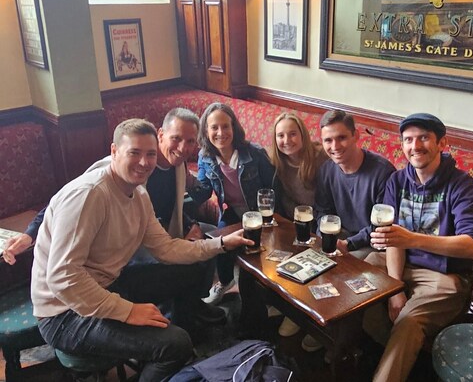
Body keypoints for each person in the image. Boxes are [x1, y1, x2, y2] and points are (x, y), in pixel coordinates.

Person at [31, 118, 253, 382]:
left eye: (150, 154)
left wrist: (221, 243)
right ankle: (167, 349)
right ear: (114, 151)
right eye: (134, 153)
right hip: (63, 314)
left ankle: (170, 344)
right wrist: (128, 311)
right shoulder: (89, 195)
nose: (144, 162)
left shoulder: (139, 194)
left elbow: (166, 248)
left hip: (109, 284)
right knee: (176, 344)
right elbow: (63, 277)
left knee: (192, 271)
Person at [4, 108, 224, 325]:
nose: (183, 148)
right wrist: (30, 234)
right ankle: (166, 314)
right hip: (124, 243)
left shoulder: (177, 169)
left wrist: (191, 225)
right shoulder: (121, 170)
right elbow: (64, 201)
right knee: (179, 263)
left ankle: (190, 306)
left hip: (152, 231)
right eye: (176, 138)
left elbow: (172, 206)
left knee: (206, 240)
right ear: (161, 135)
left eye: (190, 141)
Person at [365, 113, 473, 382]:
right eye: (408, 140)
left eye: (423, 138)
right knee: (353, 280)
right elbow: (392, 238)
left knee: (408, 322)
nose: (415, 146)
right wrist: (395, 289)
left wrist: (411, 239)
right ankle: (376, 350)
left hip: (443, 275)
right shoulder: (397, 181)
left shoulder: (462, 185)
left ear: (442, 143)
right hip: (399, 262)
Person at [193, 103, 275, 305]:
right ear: (206, 131)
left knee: (257, 252)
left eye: (225, 126)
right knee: (220, 240)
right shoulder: (205, 157)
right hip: (233, 212)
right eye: (214, 127)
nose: (221, 133)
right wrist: (184, 179)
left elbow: (273, 187)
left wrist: (274, 218)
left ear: (234, 127)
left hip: (260, 213)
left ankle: (267, 293)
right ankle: (225, 282)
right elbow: (202, 192)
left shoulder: (254, 153)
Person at [270, 112, 328, 338]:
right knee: (278, 250)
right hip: (298, 220)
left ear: (303, 134)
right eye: (281, 136)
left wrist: (316, 228)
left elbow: (331, 199)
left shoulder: (321, 157)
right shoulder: (276, 161)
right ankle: (290, 304)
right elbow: (286, 199)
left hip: (323, 220)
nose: (287, 140)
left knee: (313, 260)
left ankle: (308, 317)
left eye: (292, 134)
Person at [315, 109, 396, 259]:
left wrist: (349, 243)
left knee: (340, 264)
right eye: (328, 140)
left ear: (356, 136)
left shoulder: (383, 172)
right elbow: (322, 210)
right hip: (340, 234)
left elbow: (382, 225)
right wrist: (325, 235)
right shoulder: (326, 170)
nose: (335, 146)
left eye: (341, 138)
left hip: (371, 244)